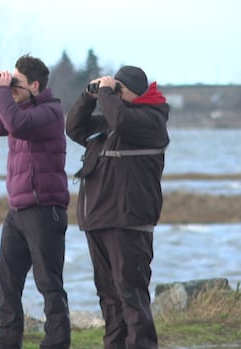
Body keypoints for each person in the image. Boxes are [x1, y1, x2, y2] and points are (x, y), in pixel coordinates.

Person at [65, 65, 170, 349]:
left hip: (128, 221)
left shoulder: (151, 120)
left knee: (131, 295)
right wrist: (89, 96)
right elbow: (73, 127)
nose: (109, 95)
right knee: (109, 297)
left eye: (116, 90)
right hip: (98, 220)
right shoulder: (107, 121)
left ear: (133, 93)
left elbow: (122, 120)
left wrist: (108, 95)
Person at [0, 54, 71, 349]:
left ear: (36, 85)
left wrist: (2, 92)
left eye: (17, 83)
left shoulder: (49, 113)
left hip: (45, 210)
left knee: (48, 282)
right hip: (17, 210)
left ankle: (56, 342)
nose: (11, 87)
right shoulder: (21, 111)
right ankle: (7, 340)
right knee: (6, 278)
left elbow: (15, 124)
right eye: (10, 81)